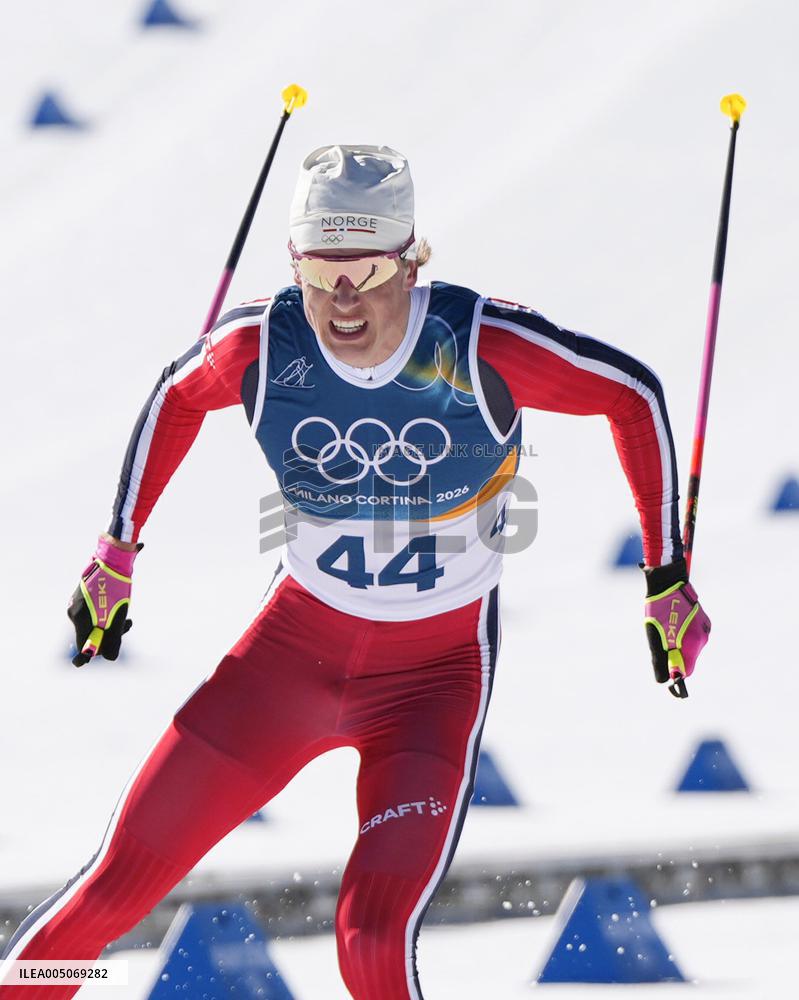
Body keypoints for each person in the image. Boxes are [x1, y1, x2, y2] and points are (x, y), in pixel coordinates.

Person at [0, 145, 711, 999]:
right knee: (104, 901)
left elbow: (629, 394)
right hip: (286, 664)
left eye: (367, 267)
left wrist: (665, 576)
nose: (340, 296)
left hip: (430, 686)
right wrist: (116, 555)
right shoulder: (263, 345)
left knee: (369, 943)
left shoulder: (476, 343)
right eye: (318, 267)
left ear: (412, 261)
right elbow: (175, 396)